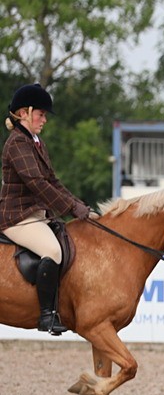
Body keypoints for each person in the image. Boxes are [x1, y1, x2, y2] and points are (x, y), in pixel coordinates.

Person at [1, 83, 96, 335]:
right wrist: (71, 208)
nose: (44, 119)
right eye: (40, 114)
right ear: (23, 113)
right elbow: (37, 184)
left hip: (37, 215)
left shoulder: (35, 141)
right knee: (52, 250)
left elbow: (53, 181)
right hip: (17, 217)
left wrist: (79, 206)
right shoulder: (17, 144)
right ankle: (46, 315)